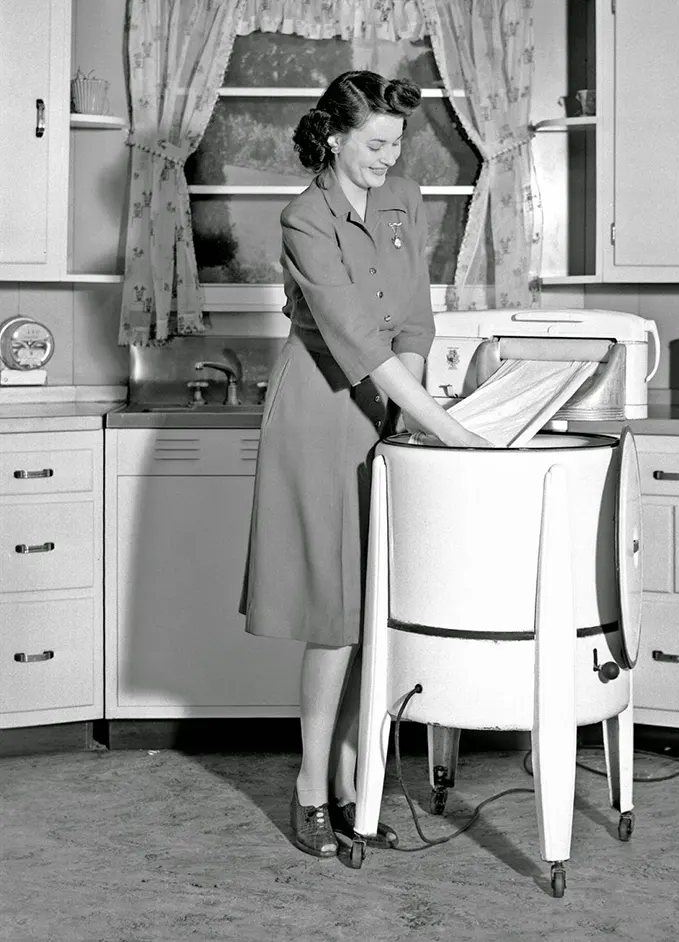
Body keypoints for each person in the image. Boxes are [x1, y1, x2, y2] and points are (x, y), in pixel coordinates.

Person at [239, 69, 491, 860]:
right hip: (319, 412)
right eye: (376, 145)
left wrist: (409, 412)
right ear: (334, 137)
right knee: (335, 614)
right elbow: (354, 338)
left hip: (387, 403)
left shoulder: (404, 200)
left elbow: (412, 319)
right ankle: (312, 787)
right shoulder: (304, 219)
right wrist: (442, 427)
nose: (390, 159)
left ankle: (356, 781)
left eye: (396, 144)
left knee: (374, 611)